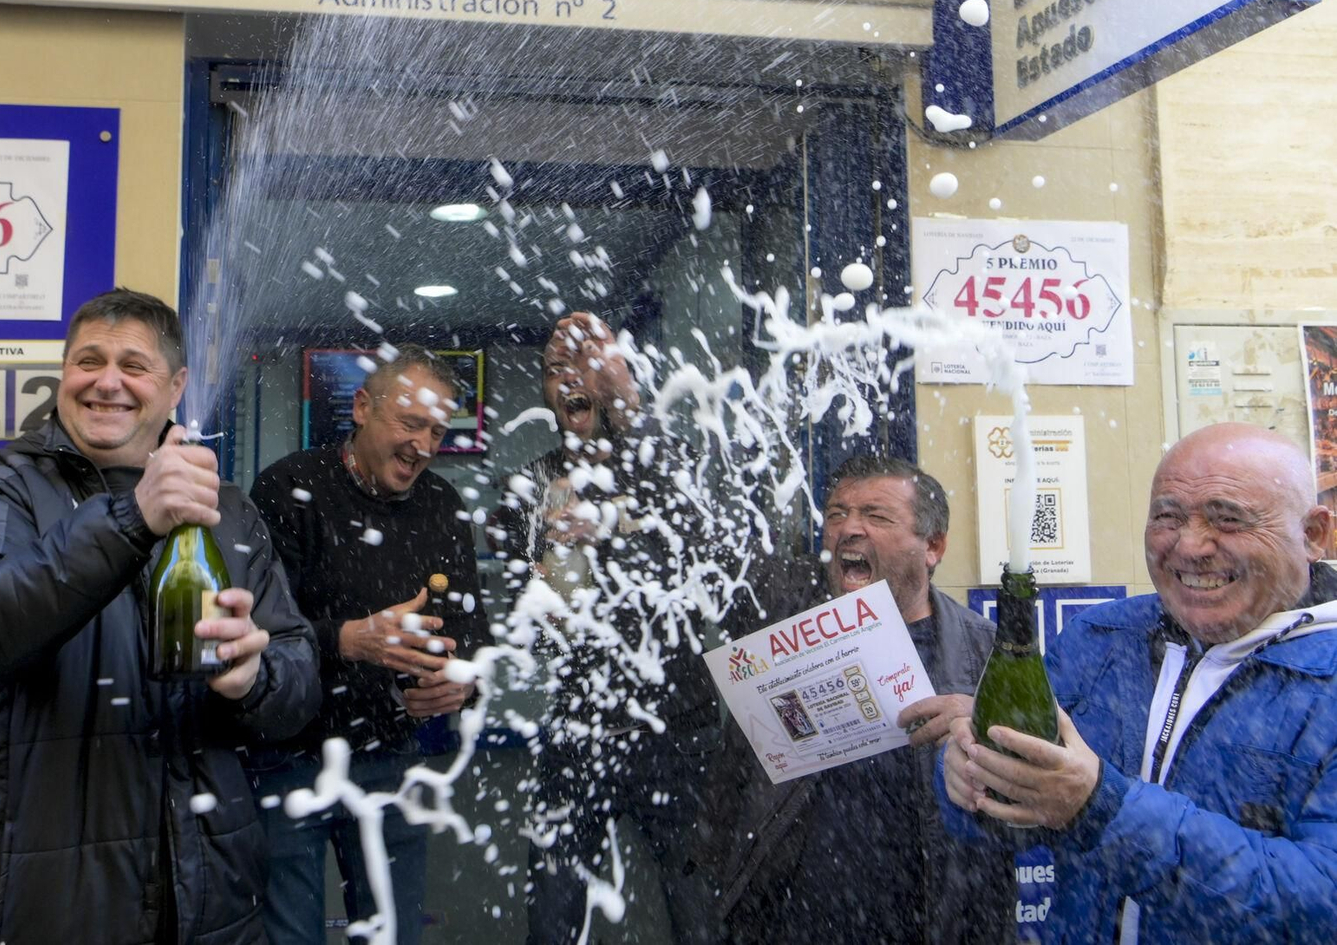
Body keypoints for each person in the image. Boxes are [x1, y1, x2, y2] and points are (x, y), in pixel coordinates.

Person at [0, 288, 320, 945]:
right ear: (64, 373)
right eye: (88, 361)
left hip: (205, 906)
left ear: (176, 385)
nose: (107, 382)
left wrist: (256, 675)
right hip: (28, 909)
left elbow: (298, 689)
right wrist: (134, 516)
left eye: (133, 365)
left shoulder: (232, 511)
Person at [941, 421, 1337, 943]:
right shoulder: (1100, 637)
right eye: (1168, 517)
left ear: (1312, 535)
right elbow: (1009, 815)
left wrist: (1100, 808)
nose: (1191, 546)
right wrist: (967, 780)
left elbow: (1320, 903)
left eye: (1229, 519)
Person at [490, 311, 737, 945]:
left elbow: (698, 562)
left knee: (698, 912)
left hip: (676, 732)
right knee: (550, 915)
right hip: (576, 729)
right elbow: (538, 619)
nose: (570, 377)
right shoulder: (538, 483)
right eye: (554, 370)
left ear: (622, 375)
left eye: (588, 363)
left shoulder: (668, 461)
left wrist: (609, 530)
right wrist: (541, 579)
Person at [719, 453, 1016, 945]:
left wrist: (984, 732)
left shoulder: (988, 654)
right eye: (836, 514)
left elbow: (1033, 808)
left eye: (876, 516)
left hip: (938, 923)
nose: (848, 529)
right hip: (795, 924)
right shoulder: (782, 629)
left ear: (933, 546)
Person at [248, 345, 491, 945]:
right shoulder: (288, 488)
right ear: (361, 407)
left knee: (394, 934)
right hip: (288, 757)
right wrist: (349, 640)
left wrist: (462, 680)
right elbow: (257, 634)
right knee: (288, 937)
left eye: (437, 430)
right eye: (410, 424)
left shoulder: (442, 505)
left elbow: (474, 630)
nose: (424, 446)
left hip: (389, 751)